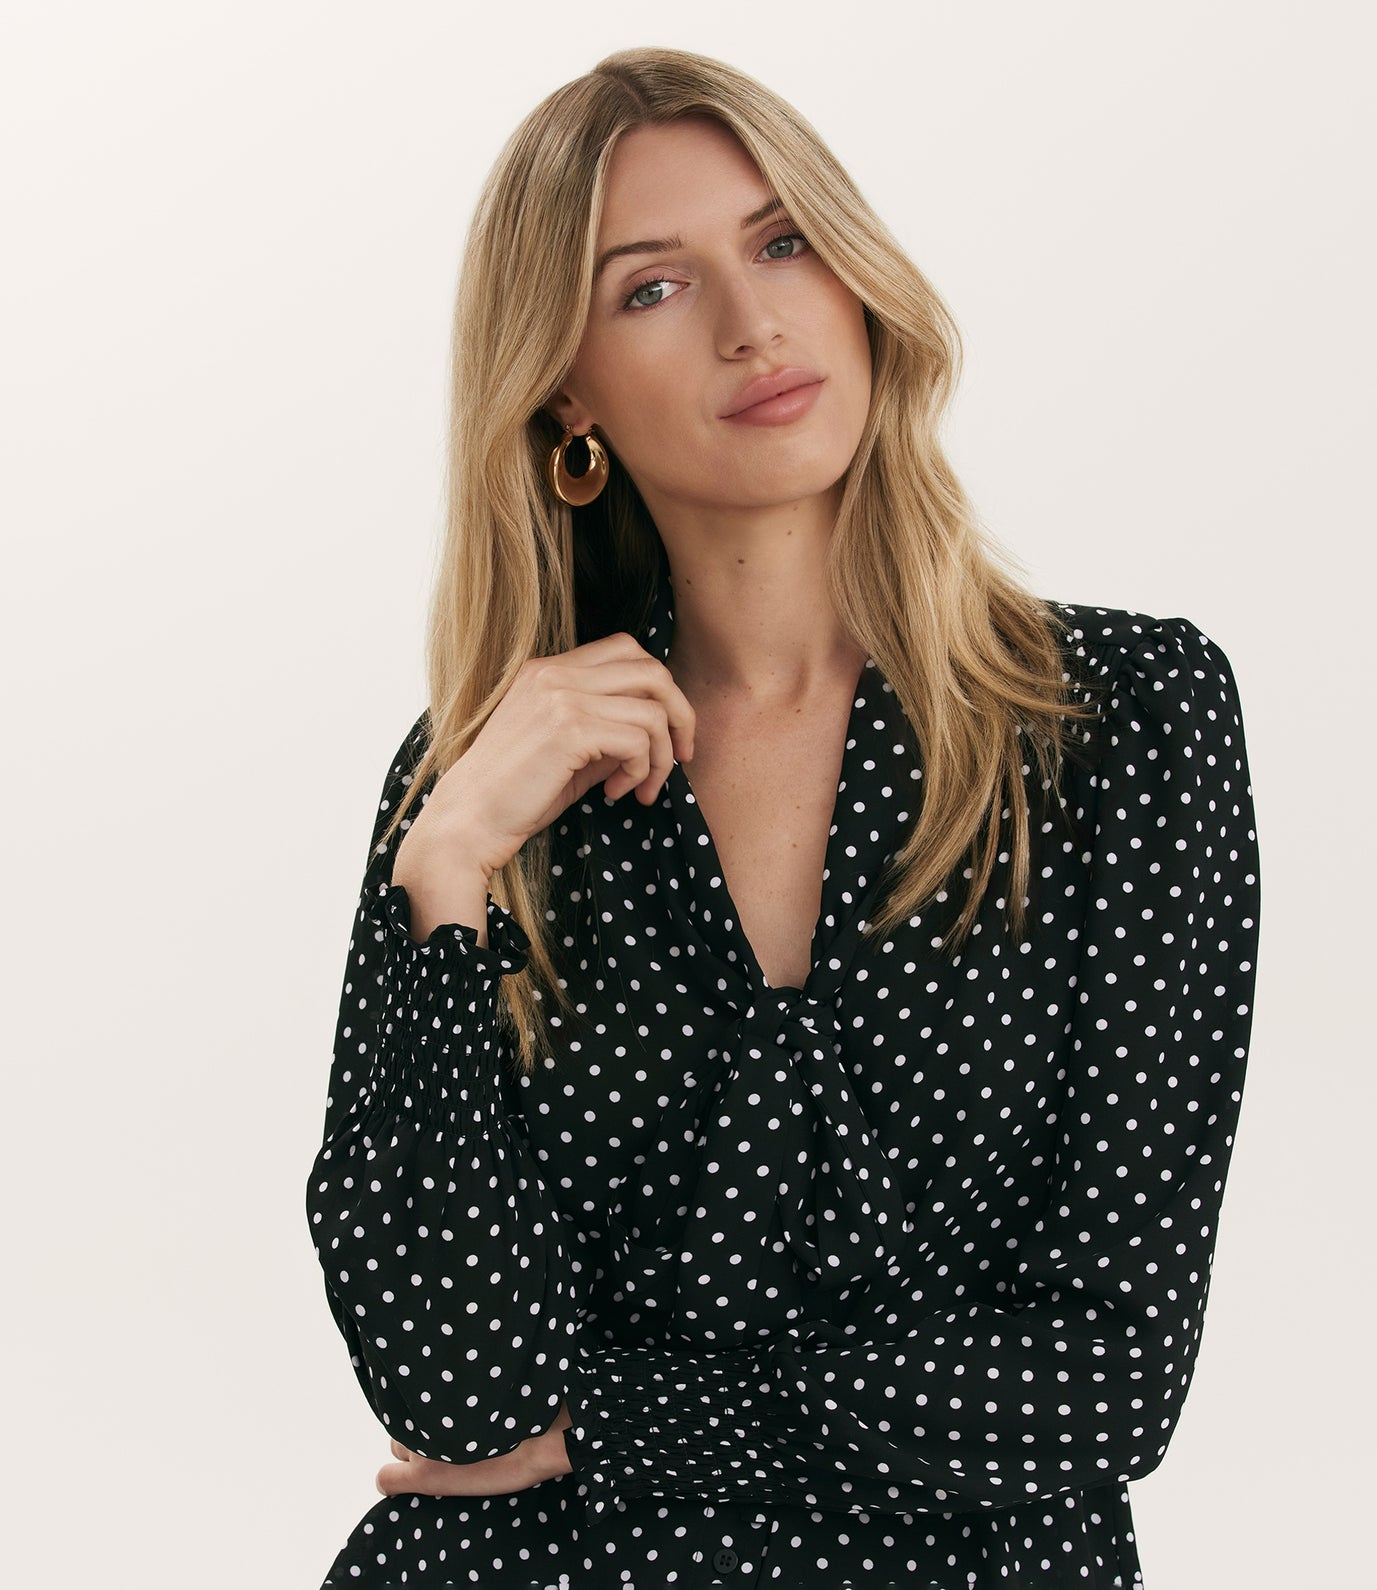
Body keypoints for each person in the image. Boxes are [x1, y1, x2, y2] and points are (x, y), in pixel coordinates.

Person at [304, 44, 1261, 1590]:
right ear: (564, 388)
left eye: (781, 240)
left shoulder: (1121, 717)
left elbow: (1109, 1375)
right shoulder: (492, 781)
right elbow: (451, 1391)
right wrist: (444, 863)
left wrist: (625, 1421)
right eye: (651, 289)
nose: (755, 324)